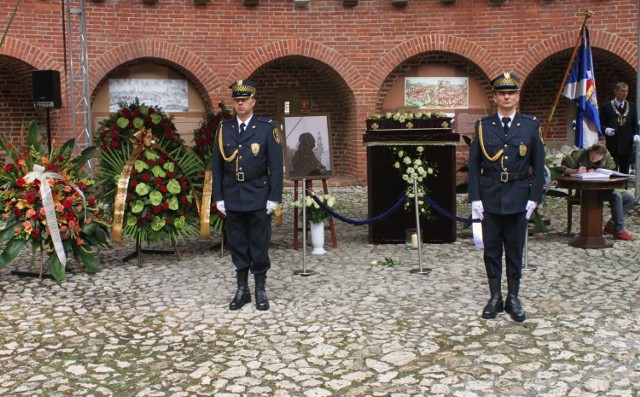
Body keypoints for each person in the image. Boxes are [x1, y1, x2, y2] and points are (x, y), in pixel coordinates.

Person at [468, 72, 545, 322]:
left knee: (514, 250)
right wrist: (475, 199)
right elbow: (473, 165)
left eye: (511, 92)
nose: (507, 97)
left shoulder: (531, 125)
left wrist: (534, 198)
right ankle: (494, 296)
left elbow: (539, 165)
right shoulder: (483, 126)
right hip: (490, 197)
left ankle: (513, 297)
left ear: (517, 96)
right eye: (502, 93)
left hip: (518, 197)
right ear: (495, 97)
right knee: (491, 250)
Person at [212, 79, 284, 311]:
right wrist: (218, 197)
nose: (240, 104)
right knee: (237, 243)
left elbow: (276, 165)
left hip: (257, 193)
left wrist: (274, 197)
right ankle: (242, 289)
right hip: (233, 193)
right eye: (237, 100)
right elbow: (217, 166)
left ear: (253, 101)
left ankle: (260, 289)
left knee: (259, 243)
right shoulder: (225, 128)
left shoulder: (266, 128)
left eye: (244, 100)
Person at [560, 143, 635, 241]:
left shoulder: (606, 157)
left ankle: (611, 226)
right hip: (584, 191)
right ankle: (619, 231)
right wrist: (575, 171)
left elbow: (612, 168)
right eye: (592, 157)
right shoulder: (580, 154)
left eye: (598, 158)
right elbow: (562, 168)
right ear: (590, 151)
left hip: (604, 189)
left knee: (629, 197)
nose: (595, 159)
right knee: (616, 196)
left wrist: (598, 170)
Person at [600, 82, 640, 175]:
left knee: (624, 171)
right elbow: (600, 123)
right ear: (616, 91)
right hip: (613, 143)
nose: (625, 94)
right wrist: (605, 130)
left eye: (626, 91)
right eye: (622, 91)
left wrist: (637, 134)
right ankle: (612, 189)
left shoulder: (632, 106)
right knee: (612, 170)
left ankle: (624, 188)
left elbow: (635, 124)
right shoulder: (607, 106)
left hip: (627, 144)